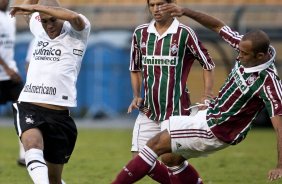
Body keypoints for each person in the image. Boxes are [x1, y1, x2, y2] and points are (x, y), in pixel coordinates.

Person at [112, 4, 282, 184]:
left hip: (217, 129)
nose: (238, 56)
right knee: (172, 159)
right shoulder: (245, 45)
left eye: (244, 54)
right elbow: (218, 26)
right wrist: (186, 11)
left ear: (260, 56)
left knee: (155, 144)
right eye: (239, 51)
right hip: (209, 115)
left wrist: (280, 165)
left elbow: (280, 127)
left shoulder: (269, 83)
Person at [127, 0, 215, 183]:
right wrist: (136, 95)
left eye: (160, 4)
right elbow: (135, 68)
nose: (156, 9)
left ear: (172, 4)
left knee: (170, 160)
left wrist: (207, 94)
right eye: (152, 5)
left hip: (175, 112)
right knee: (139, 160)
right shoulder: (141, 33)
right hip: (148, 110)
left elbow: (208, 64)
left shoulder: (184, 33)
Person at [10, 0, 90, 183]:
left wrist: (35, 8)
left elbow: (74, 17)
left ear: (60, 15)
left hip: (60, 114)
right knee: (32, 146)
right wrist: (32, 7)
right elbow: (27, 7)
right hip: (29, 104)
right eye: (44, 21)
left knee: (54, 178)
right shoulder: (38, 27)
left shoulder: (78, 31)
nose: (48, 26)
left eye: (53, 20)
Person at [0, 0, 25, 167]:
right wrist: (7, 69)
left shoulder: (11, 18)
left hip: (11, 77)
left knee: (25, 111)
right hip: (6, 72)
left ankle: (25, 155)